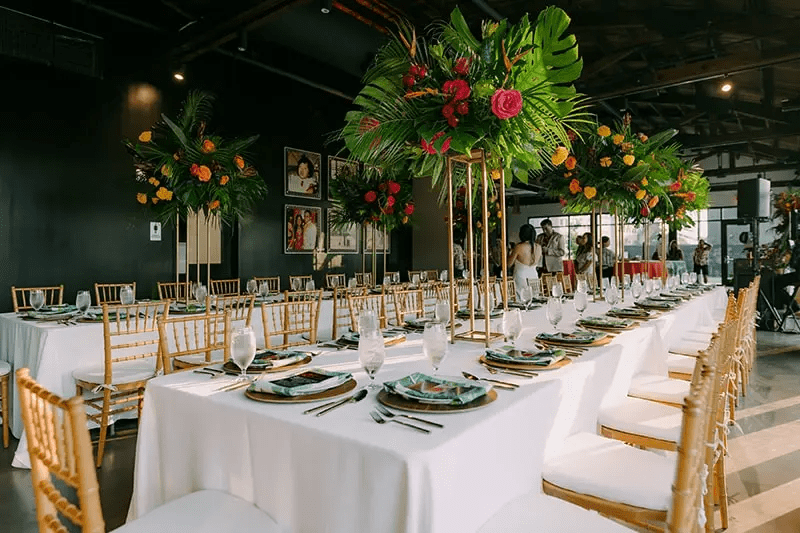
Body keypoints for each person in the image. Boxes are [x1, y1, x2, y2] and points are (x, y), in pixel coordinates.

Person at [508, 224, 542, 299]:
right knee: (534, 299)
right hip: (534, 276)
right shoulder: (538, 247)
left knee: (522, 299)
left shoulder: (519, 247)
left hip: (521, 276)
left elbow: (509, 264)